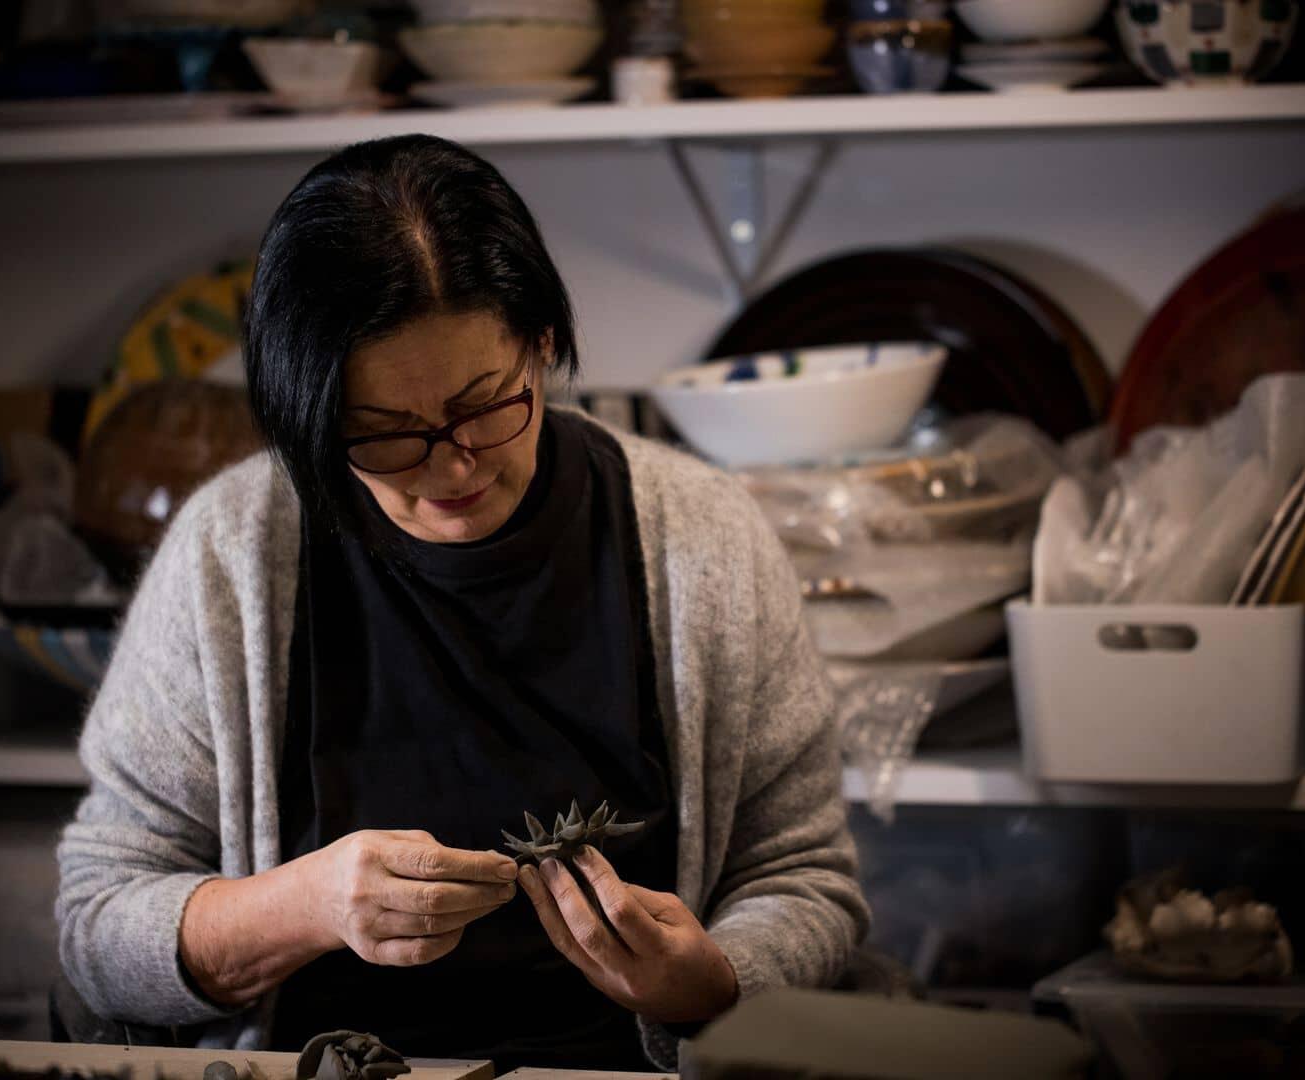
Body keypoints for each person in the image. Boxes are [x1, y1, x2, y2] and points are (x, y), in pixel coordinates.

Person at [55, 134, 868, 1071]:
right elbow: (97, 922)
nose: (453, 467)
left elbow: (804, 875)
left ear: (543, 344)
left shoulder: (705, 538)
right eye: (385, 436)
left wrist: (716, 981)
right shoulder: (229, 556)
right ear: (313, 424)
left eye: (485, 404)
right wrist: (306, 906)